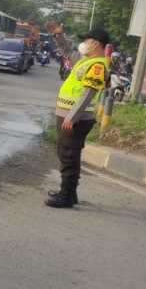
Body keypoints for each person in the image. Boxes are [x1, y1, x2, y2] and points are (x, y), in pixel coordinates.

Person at [44, 21, 109, 208]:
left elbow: (88, 93)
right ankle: (70, 193)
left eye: (87, 40)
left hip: (76, 119)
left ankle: (66, 197)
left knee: (68, 155)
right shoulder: (85, 61)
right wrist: (59, 36)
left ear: (95, 43)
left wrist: (72, 116)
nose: (83, 44)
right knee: (67, 153)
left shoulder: (97, 66)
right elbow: (68, 52)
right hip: (69, 115)